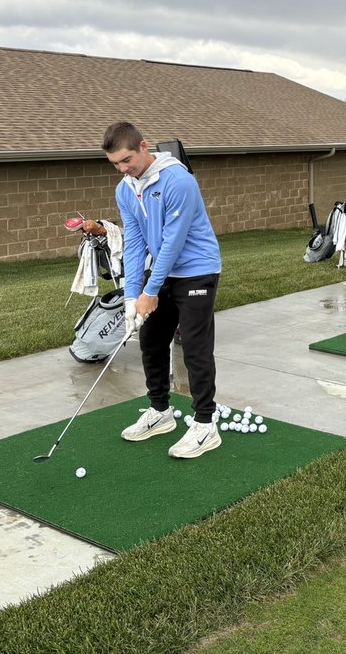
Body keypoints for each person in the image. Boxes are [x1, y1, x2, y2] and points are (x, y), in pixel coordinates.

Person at [101, 121, 223, 459]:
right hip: (163, 271)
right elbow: (136, 240)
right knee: (151, 339)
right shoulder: (125, 189)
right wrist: (131, 293)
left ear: (144, 146)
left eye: (126, 160)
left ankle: (204, 425)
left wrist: (150, 291)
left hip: (197, 270)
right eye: (115, 164)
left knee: (195, 348)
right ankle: (160, 412)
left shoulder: (178, 181)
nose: (123, 169)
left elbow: (173, 241)